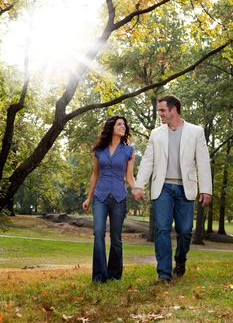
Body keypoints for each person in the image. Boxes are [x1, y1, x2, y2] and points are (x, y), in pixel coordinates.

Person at [132, 95, 212, 283]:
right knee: (162, 229)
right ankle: (164, 275)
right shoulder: (156, 133)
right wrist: (139, 185)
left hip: (186, 188)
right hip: (163, 187)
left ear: (173, 109)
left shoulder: (196, 131)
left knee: (185, 231)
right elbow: (148, 160)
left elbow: (202, 162)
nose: (159, 114)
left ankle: (180, 260)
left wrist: (206, 189)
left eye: (162, 110)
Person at [83, 115, 135, 283]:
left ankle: (114, 275)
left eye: (124, 125)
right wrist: (88, 198)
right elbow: (95, 174)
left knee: (116, 238)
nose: (123, 127)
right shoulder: (99, 150)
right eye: (119, 124)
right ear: (111, 127)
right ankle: (99, 276)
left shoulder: (129, 151)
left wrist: (137, 189)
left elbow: (129, 177)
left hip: (119, 197)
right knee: (98, 232)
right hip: (100, 196)